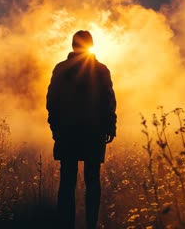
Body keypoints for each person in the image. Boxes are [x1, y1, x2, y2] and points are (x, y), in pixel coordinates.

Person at [46, 30, 117, 229]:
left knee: (67, 181)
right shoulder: (101, 69)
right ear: (91, 45)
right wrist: (110, 125)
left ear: (72, 45)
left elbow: (52, 101)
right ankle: (91, 224)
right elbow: (109, 101)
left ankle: (65, 224)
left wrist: (55, 127)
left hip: (67, 132)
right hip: (93, 133)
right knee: (92, 181)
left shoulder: (60, 69)